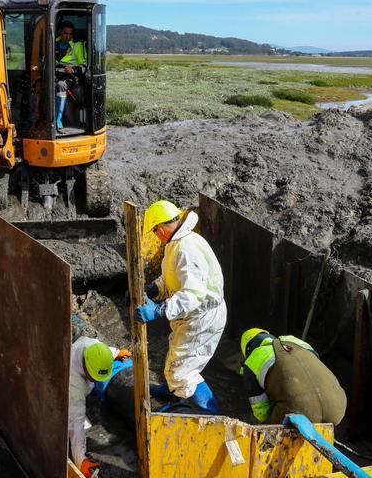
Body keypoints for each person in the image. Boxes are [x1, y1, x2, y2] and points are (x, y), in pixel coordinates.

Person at [135, 200, 226, 415]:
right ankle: (174, 393)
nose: (156, 236)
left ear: (163, 227)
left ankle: (211, 413)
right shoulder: (177, 244)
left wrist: (158, 310)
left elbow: (192, 295)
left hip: (202, 316)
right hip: (192, 315)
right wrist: (153, 289)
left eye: (156, 231)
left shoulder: (186, 249)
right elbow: (172, 278)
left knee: (183, 370)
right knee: (176, 357)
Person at [239, 328, 347, 425]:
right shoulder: (296, 340)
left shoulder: (252, 360)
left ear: (248, 349)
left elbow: (261, 412)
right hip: (338, 407)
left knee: (266, 433)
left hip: (299, 414)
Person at [69, 336, 131, 478]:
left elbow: (104, 352)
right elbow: (75, 424)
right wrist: (80, 460)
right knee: (78, 423)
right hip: (66, 396)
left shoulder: (91, 346)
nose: (96, 380)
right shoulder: (73, 387)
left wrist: (117, 353)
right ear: (85, 366)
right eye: (94, 376)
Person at [55, 20, 87, 132]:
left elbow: (84, 65)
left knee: (60, 85)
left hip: (69, 77)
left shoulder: (78, 46)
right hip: (53, 73)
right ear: (60, 32)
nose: (68, 36)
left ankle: (58, 120)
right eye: (65, 33)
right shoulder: (52, 43)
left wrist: (73, 69)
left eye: (70, 34)